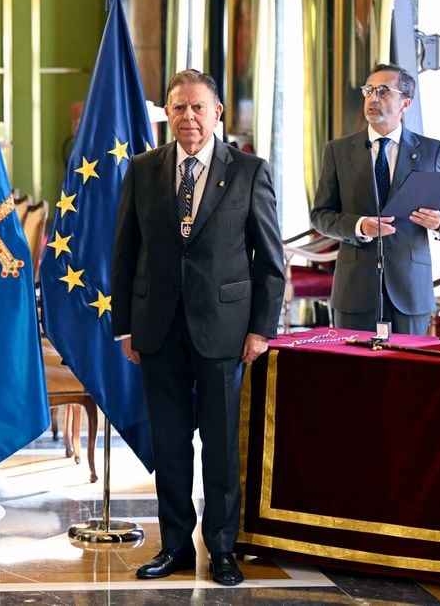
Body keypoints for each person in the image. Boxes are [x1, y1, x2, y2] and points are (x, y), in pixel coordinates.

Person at [110, 69, 285, 586]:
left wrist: (260, 329)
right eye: (178, 107)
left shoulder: (250, 170)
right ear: (167, 112)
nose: (188, 117)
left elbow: (270, 261)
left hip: (225, 329)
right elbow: (124, 253)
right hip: (157, 327)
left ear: (218, 113)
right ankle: (175, 546)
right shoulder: (144, 169)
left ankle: (223, 548)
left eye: (198, 107)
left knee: (221, 444)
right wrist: (125, 328)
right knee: (169, 443)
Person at [310, 63, 440, 336]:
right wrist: (359, 227)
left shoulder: (431, 151)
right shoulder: (339, 151)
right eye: (369, 91)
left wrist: (439, 222)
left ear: (405, 103)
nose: (372, 98)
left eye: (383, 91)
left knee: (410, 376)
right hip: (355, 289)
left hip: (410, 289)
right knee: (354, 376)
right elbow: (321, 214)